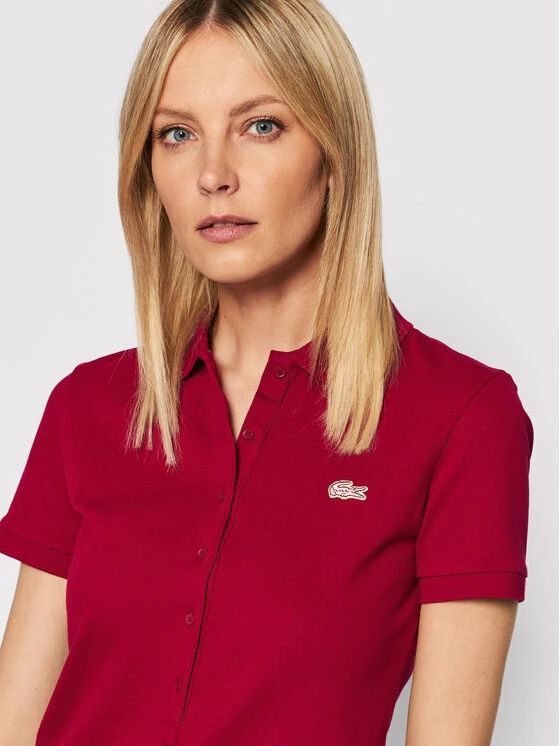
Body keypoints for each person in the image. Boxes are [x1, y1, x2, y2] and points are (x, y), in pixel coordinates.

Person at [0, 0, 534, 744]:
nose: (213, 175)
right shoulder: (87, 407)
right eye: (177, 134)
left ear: (333, 150)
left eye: (261, 126)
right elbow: (15, 724)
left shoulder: (462, 415)